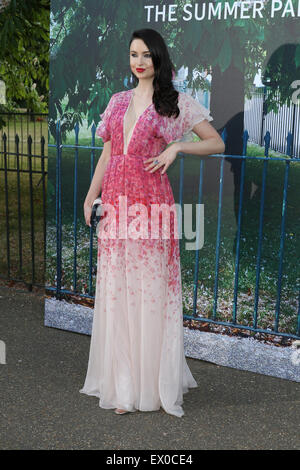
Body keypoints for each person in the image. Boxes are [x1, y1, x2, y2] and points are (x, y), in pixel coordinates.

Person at [80, 28, 225, 417]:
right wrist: (92, 195)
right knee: (117, 291)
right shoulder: (117, 101)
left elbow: (216, 142)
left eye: (146, 55)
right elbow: (108, 153)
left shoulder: (173, 102)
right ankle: (123, 388)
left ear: (158, 58)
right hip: (115, 206)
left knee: (148, 293)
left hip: (151, 209)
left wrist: (177, 147)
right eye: (133, 54)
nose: (139, 62)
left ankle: (148, 387)